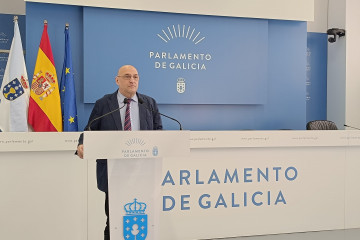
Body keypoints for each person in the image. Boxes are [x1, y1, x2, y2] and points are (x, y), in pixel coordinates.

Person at [76, 65, 163, 240]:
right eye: (127, 76)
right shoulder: (104, 103)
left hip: (143, 171)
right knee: (114, 219)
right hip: (113, 171)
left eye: (136, 77)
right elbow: (90, 130)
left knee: (144, 217)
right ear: (117, 80)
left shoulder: (149, 103)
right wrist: (82, 144)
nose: (132, 80)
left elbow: (159, 132)